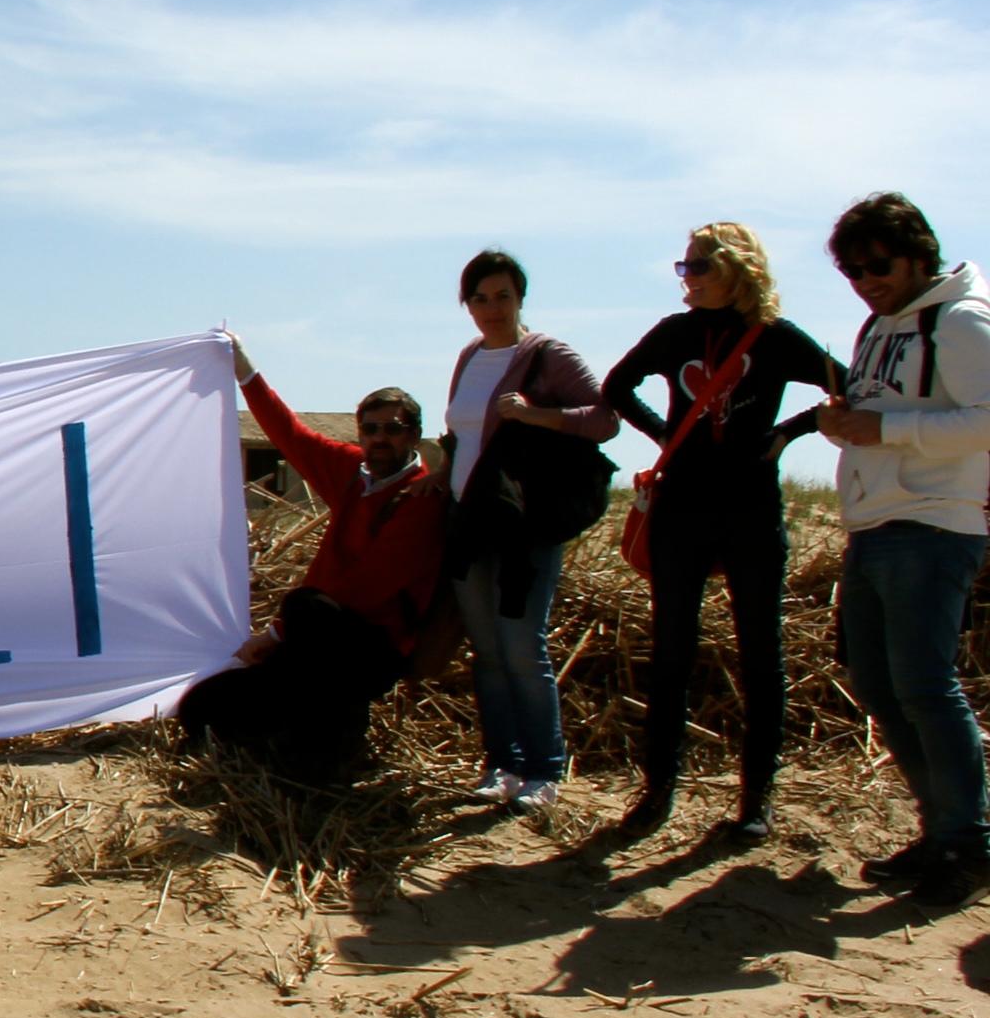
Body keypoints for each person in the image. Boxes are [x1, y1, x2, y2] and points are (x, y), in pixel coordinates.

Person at [599, 224, 843, 845]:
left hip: (751, 511)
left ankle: (755, 801)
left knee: (762, 654)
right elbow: (615, 386)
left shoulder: (776, 338)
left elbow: (848, 383)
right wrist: (663, 436)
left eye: (700, 265)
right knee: (672, 651)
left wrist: (793, 430)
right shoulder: (674, 332)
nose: (689, 275)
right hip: (681, 509)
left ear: (738, 269)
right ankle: (658, 790)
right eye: (685, 266)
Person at [813, 193, 990, 906]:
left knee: (924, 685)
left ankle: (969, 842)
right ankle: (940, 829)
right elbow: (882, 409)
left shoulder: (963, 319)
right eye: (852, 270)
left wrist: (886, 432)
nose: (865, 280)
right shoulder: (882, 325)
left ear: (919, 252)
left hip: (933, 524)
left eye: (878, 265)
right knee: (882, 686)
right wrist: (844, 423)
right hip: (876, 523)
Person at [179, 343, 447, 781]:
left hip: (371, 649)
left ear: (415, 435)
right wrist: (244, 370)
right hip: (312, 641)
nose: (380, 438)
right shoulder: (351, 473)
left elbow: (367, 586)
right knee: (203, 708)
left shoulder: (421, 499)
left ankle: (332, 743)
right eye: (371, 428)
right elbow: (290, 434)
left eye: (393, 429)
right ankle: (292, 731)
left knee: (307, 609)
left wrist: (274, 634)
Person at [442, 250, 620, 809]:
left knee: (522, 646)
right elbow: (465, 436)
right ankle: (502, 764)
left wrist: (539, 414)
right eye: (480, 298)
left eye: (503, 296)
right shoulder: (470, 356)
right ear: (466, 304)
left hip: (526, 525)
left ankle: (545, 768)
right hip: (470, 519)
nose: (491, 309)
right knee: (488, 650)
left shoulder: (548, 354)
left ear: (521, 298)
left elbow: (605, 420)